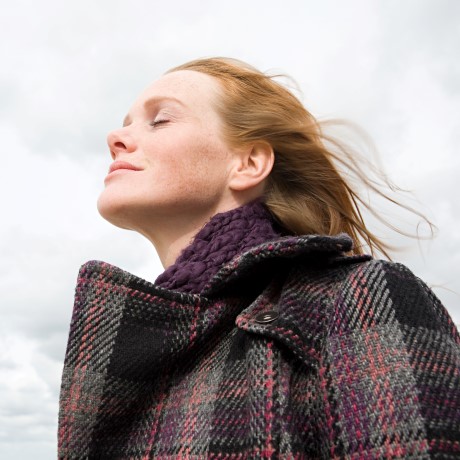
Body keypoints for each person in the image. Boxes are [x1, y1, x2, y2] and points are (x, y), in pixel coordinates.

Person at [58, 58, 460, 459]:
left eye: (160, 119)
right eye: (125, 122)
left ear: (248, 163)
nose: (116, 136)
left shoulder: (357, 297)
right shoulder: (153, 347)